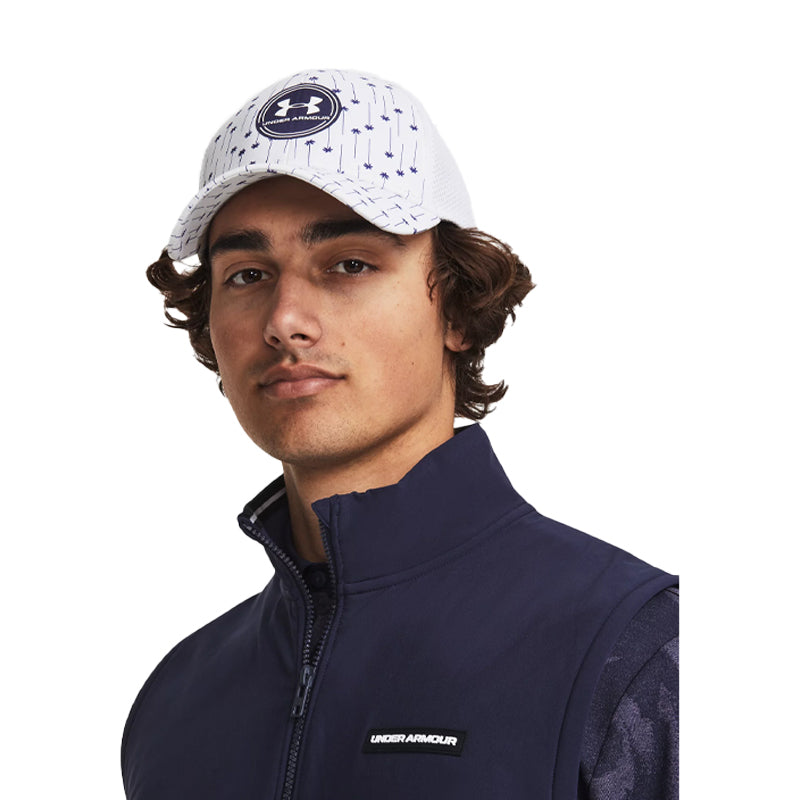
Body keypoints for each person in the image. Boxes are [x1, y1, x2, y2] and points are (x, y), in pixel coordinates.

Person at [122, 68, 678, 800]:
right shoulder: (175, 705)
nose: (284, 320)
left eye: (350, 264)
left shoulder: (635, 649)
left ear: (458, 308)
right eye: (248, 275)